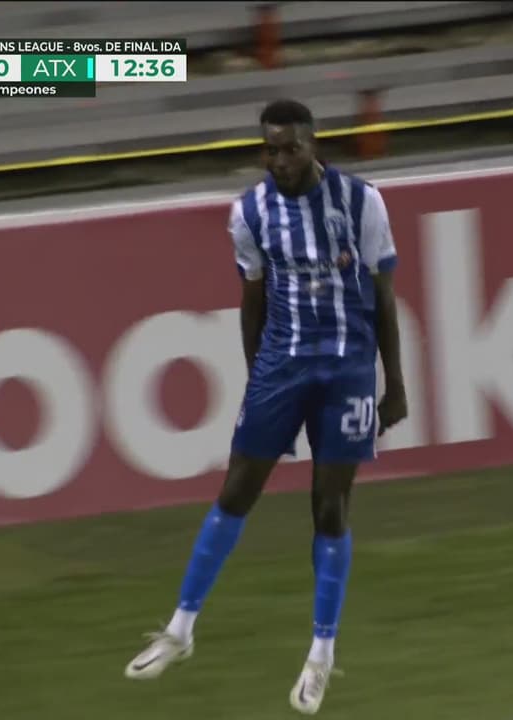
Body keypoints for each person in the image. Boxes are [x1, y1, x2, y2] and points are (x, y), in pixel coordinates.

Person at [124, 98, 408, 715]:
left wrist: (396, 385)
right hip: (282, 365)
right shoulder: (249, 212)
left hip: (347, 367)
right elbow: (251, 299)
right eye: (270, 149)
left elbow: (383, 297)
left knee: (329, 505)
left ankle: (321, 655)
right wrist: (258, 378)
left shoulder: (362, 202)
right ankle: (179, 629)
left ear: (313, 146)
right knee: (236, 491)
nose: (279, 160)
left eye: (290, 148)